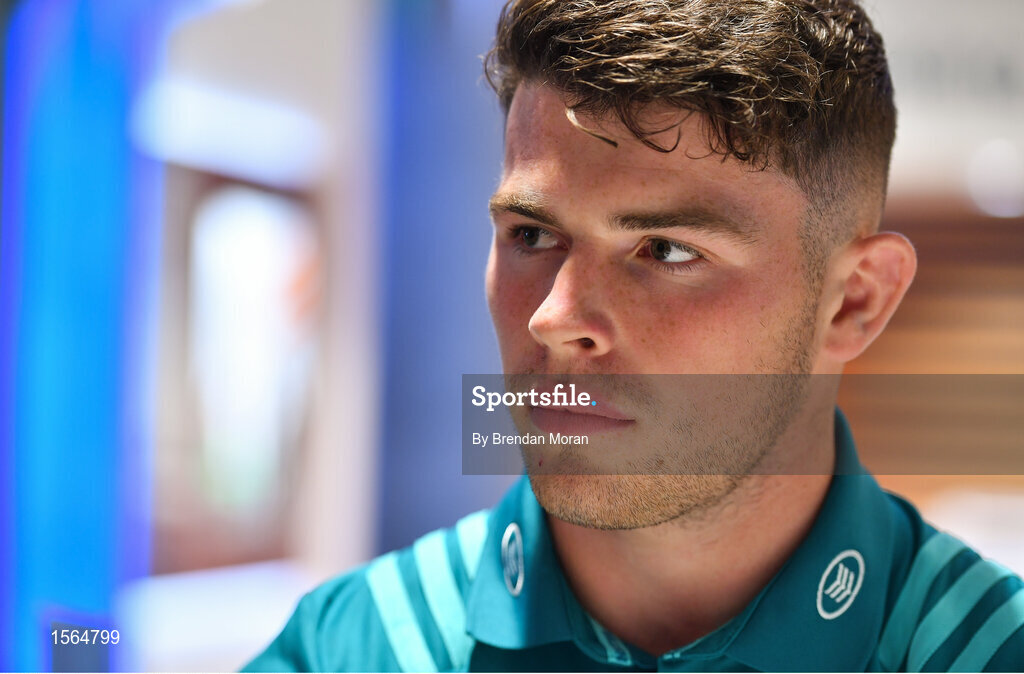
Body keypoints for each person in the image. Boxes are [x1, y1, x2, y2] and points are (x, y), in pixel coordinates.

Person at [243, 0, 1024, 671]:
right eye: (530, 234)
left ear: (853, 302)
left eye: (668, 250)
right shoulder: (360, 646)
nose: (554, 317)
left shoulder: (985, 650)